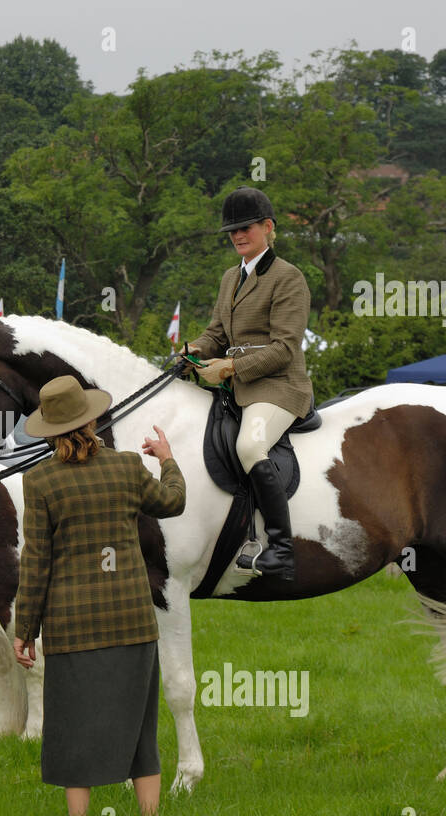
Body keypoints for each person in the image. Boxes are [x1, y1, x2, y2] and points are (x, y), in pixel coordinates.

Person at [13, 375, 186, 816]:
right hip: (133, 620)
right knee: (141, 731)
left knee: (73, 729)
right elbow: (173, 501)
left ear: (49, 431)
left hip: (71, 627)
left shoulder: (40, 481)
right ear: (91, 421)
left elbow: (36, 563)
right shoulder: (129, 467)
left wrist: (24, 631)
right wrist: (167, 460)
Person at [182, 187, 311, 581]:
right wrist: (193, 350)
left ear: (267, 227)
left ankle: (283, 550)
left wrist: (229, 369)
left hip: (278, 387)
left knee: (249, 444)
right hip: (235, 387)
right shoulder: (229, 278)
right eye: (232, 230)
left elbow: (285, 348)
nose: (237, 235)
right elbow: (217, 333)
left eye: (245, 228)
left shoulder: (288, 278)